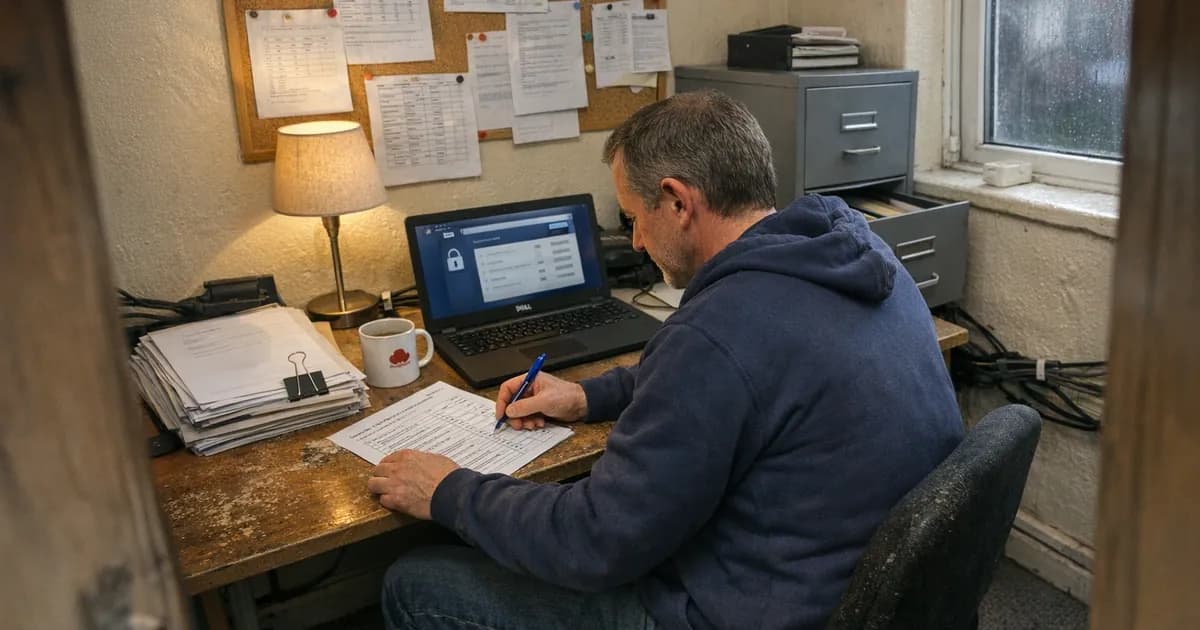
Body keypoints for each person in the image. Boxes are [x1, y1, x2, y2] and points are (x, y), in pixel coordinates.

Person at [368, 90, 964, 630]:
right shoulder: (855, 256)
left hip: (747, 610)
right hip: (851, 584)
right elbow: (738, 378)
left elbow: (593, 541)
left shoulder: (718, 334)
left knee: (414, 581)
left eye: (633, 218)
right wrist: (587, 396)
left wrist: (448, 491)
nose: (632, 242)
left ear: (678, 201)